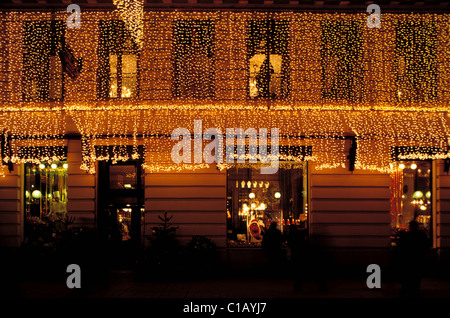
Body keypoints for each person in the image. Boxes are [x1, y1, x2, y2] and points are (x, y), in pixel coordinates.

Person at [396, 220, 431, 297]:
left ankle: (407, 289)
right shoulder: (421, 235)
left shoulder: (407, 235)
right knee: (416, 275)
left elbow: (400, 246)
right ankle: (415, 289)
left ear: (411, 226)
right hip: (417, 258)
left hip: (409, 259)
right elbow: (426, 245)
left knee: (408, 274)